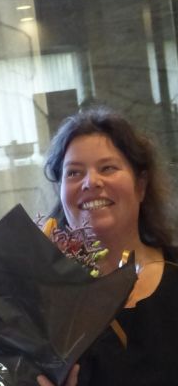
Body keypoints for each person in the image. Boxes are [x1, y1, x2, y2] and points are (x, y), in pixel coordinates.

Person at [37, 106, 178, 386]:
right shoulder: (41, 299)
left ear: (141, 185)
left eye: (108, 168)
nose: (91, 182)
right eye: (74, 173)